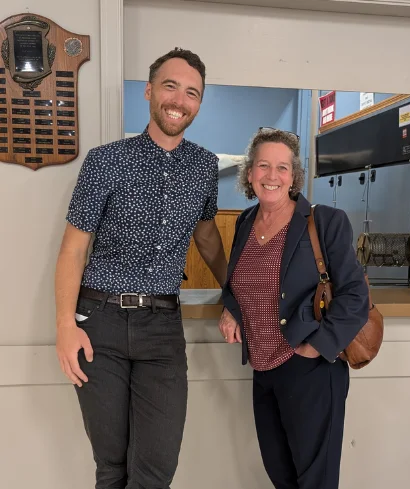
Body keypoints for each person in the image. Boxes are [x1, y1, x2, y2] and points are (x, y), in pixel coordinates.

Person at [55, 48, 227, 489]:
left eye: (192, 92)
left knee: (154, 472)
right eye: (171, 86)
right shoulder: (105, 161)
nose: (179, 99)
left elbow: (206, 237)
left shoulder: (205, 168)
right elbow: (74, 250)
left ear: (199, 103)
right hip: (99, 324)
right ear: (150, 91)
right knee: (111, 469)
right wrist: (64, 327)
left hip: (162, 329)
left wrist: (235, 292)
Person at [219, 127, 369, 489]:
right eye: (263, 166)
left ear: (294, 176)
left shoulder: (325, 221)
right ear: (250, 173)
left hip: (311, 368)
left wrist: (315, 347)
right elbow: (239, 284)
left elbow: (355, 295)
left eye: (282, 167)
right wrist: (231, 309)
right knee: (281, 475)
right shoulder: (244, 222)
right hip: (263, 369)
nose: (272, 176)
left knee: (314, 480)